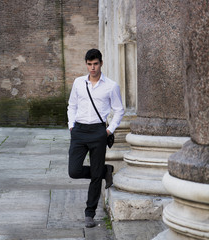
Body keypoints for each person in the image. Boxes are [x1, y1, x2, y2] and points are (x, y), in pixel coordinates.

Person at [67, 48, 124, 228]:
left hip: (99, 132)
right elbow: (72, 105)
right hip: (79, 131)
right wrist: (71, 126)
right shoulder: (78, 83)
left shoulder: (111, 86)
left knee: (95, 178)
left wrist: (109, 130)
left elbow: (119, 109)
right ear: (86, 64)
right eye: (90, 64)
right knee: (74, 171)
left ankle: (89, 214)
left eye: (96, 64)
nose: (93, 68)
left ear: (101, 63)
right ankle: (104, 170)